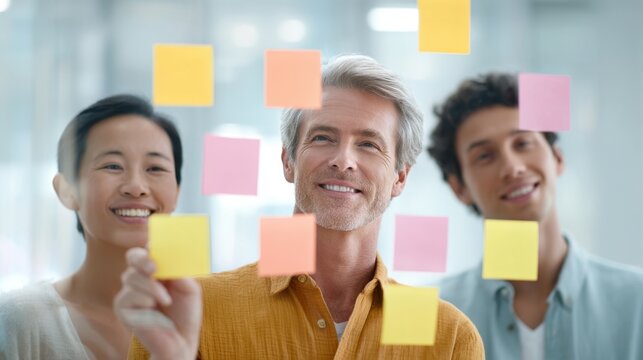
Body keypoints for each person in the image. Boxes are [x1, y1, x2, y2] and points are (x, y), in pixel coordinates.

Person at [114, 55, 484, 359]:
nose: (343, 160)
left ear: (400, 178)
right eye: (323, 137)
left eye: (369, 145)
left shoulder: (448, 338)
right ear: (288, 161)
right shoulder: (195, 314)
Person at [427, 73, 643, 360]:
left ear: (557, 158)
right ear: (459, 188)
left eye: (523, 143)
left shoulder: (637, 301)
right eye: (485, 156)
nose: (513, 167)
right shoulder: (429, 315)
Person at [0, 95, 183, 359]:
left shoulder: (206, 319)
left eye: (155, 168)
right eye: (112, 166)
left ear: (176, 192)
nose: (136, 187)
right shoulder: (20, 321)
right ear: (67, 190)